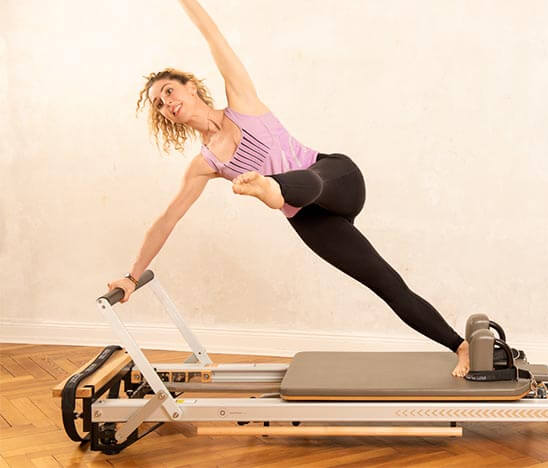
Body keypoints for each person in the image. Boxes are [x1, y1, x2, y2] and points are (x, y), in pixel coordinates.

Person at [106, 0, 470, 376]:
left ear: (192, 87)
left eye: (168, 91)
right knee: (385, 282)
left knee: (304, 182)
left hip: (333, 178)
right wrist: (133, 277)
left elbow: (213, 37)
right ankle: (460, 345)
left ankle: (270, 189)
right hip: (310, 219)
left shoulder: (242, 102)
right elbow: (167, 219)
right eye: (159, 104)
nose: (166, 102)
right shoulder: (205, 165)